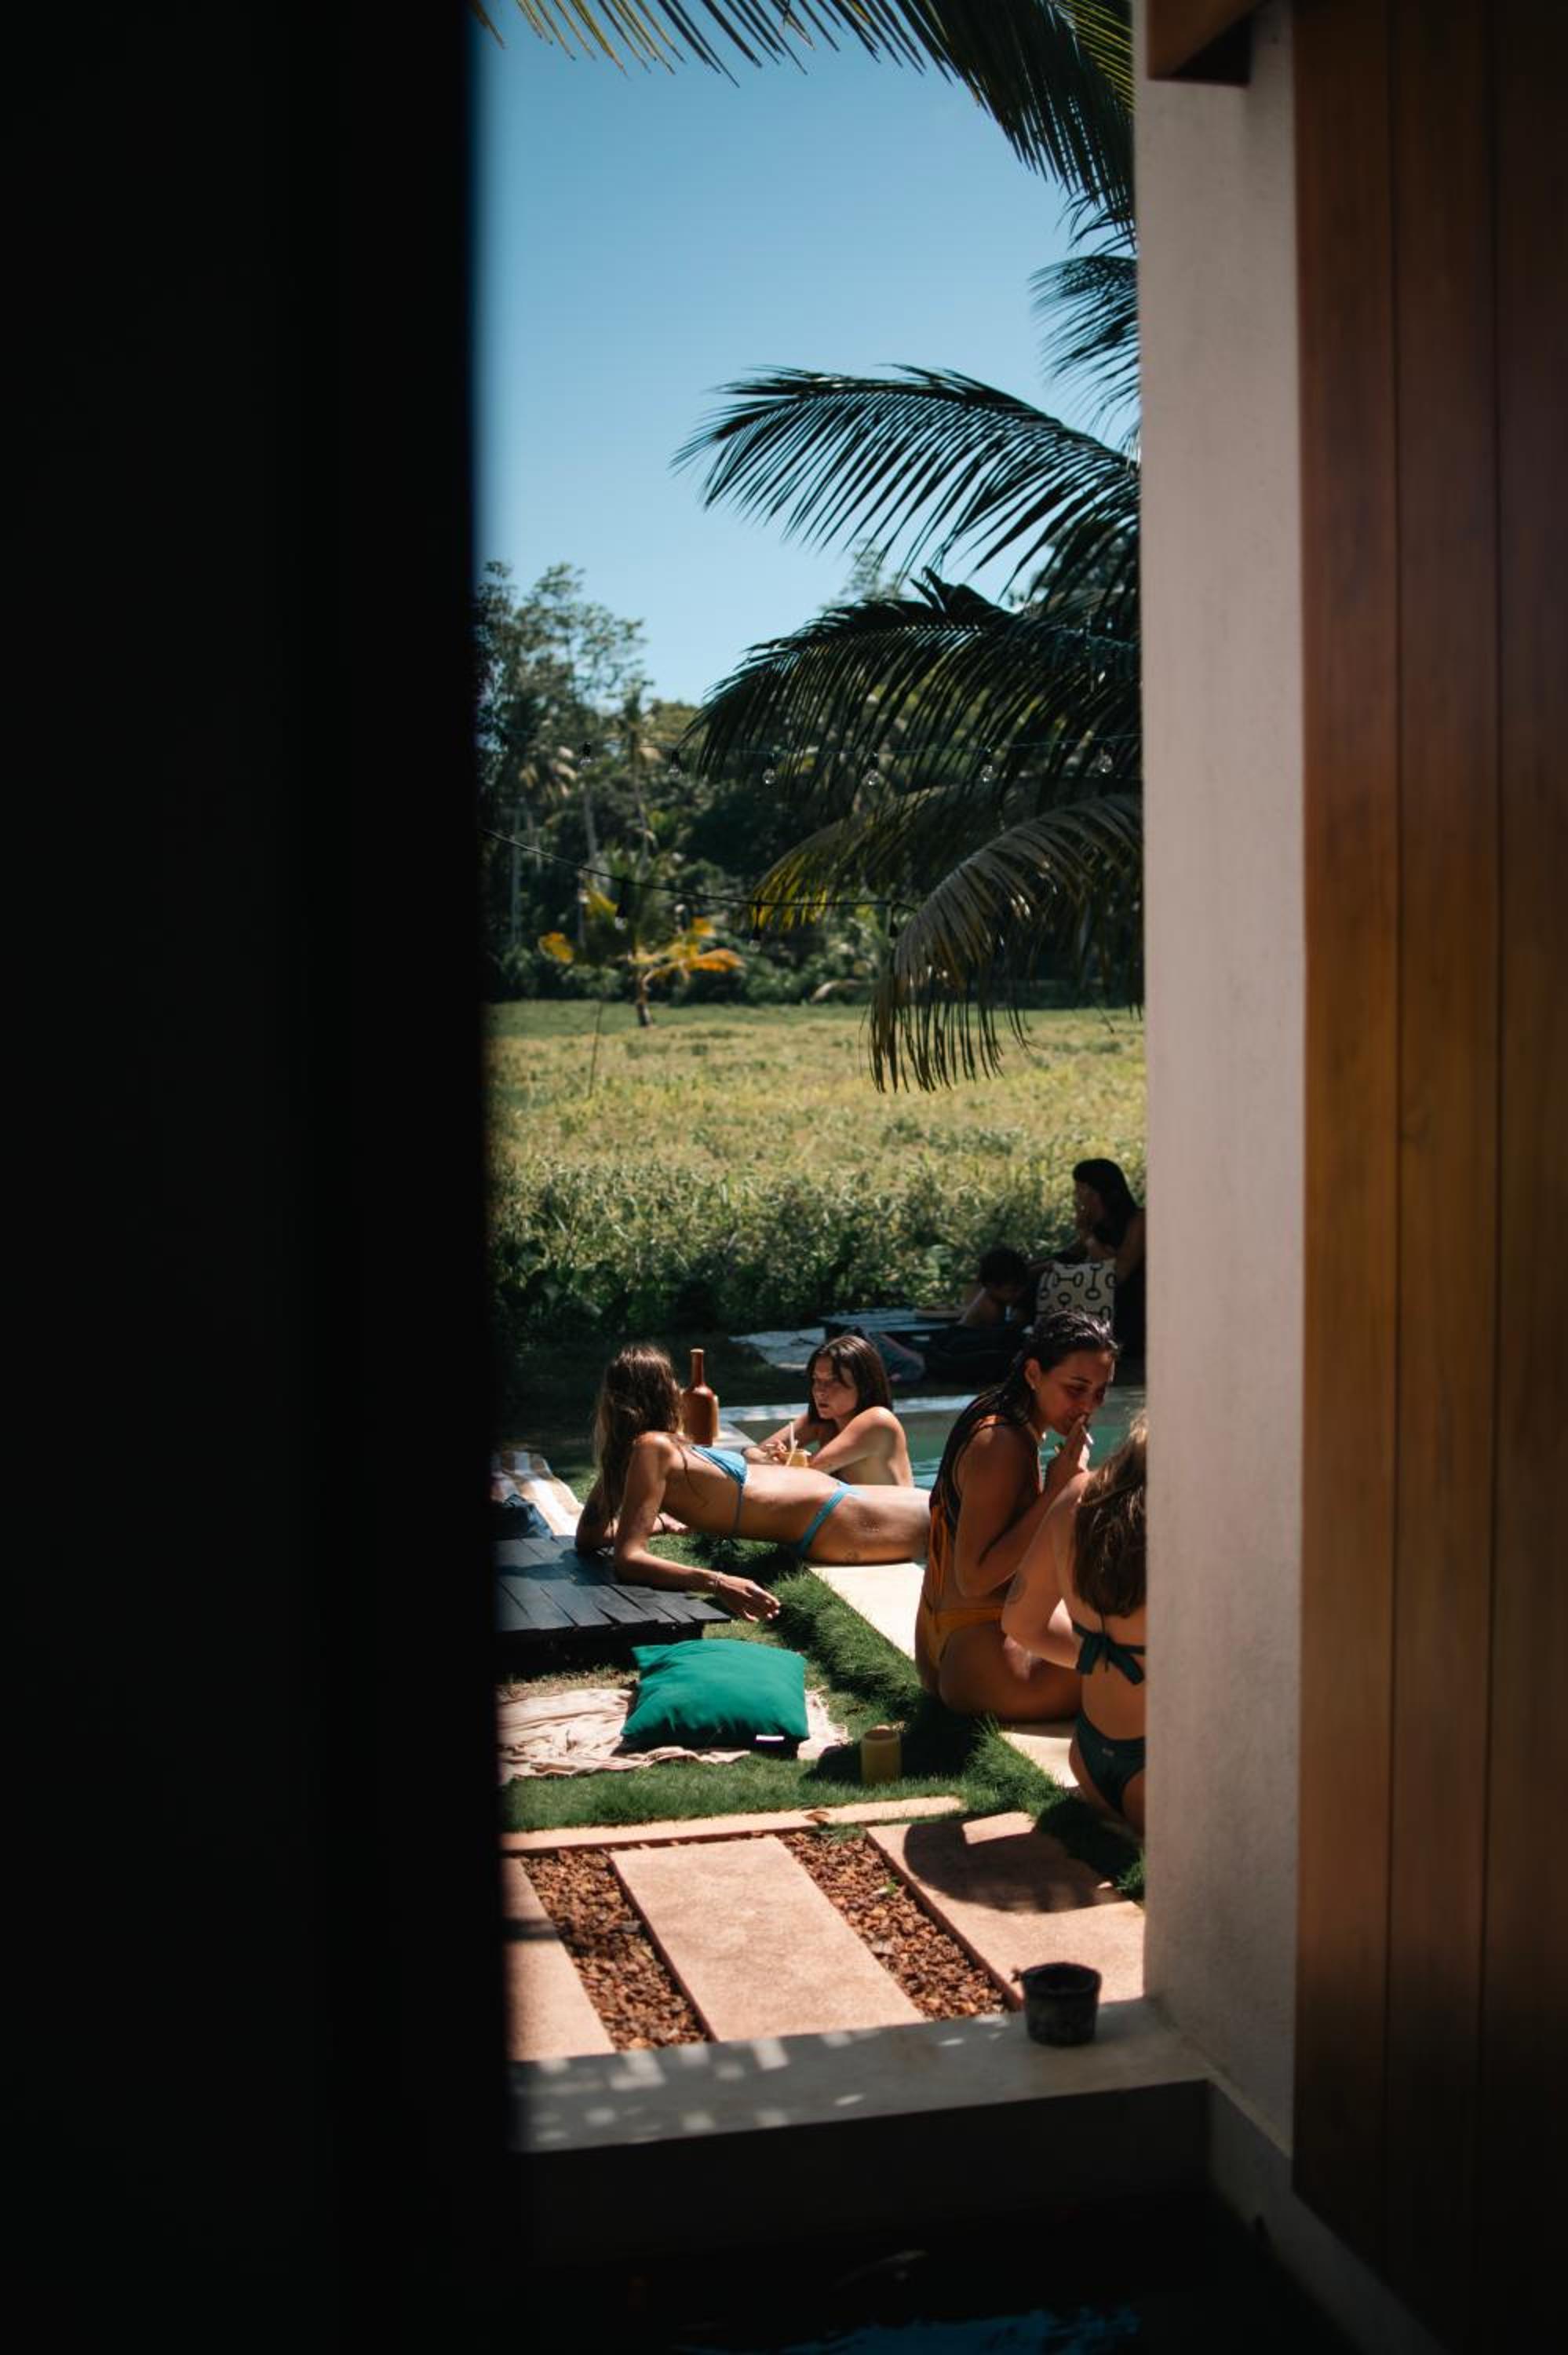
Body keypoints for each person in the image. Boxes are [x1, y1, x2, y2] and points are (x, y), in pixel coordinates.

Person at [576, 1344, 932, 1619]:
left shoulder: (636, 1454)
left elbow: (589, 1536)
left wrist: (658, 1523)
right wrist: (719, 1582)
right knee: (954, 1516)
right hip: (834, 1516)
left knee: (953, 1514)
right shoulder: (651, 1447)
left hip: (838, 1505)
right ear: (658, 1392)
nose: (678, 1388)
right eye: (671, 1381)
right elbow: (628, 1558)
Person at [913, 1310, 1118, 1721]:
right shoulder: (1001, 1444)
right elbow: (974, 1579)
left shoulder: (1000, 1415)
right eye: (1076, 1389)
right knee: (1145, 1667)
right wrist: (1059, 1489)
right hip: (988, 1667)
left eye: (1099, 1392)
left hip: (958, 1649)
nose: (1087, 1407)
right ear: (1033, 1373)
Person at [1001, 1415, 1147, 1832]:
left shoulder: (1075, 1498)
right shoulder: (1194, 1526)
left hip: (1089, 1757)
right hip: (1162, 1770)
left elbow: (1021, 1624)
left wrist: (1098, 1655)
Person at [746, 1333, 914, 1487]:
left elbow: (807, 1475)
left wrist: (774, 1462)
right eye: (816, 1380)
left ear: (865, 1386)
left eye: (833, 1381)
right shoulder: (824, 1422)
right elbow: (751, 1455)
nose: (819, 1391)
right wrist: (768, 1457)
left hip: (896, 1512)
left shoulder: (878, 1421)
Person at [1039, 1159, 1146, 1360]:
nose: (1076, 1198)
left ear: (1097, 1195)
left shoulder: (1138, 1220)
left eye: (1080, 1191)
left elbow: (1119, 1273)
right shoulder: (1098, 1227)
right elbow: (1068, 1256)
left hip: (1127, 1313)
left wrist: (1087, 1236)